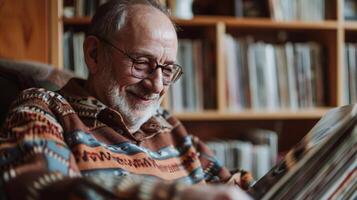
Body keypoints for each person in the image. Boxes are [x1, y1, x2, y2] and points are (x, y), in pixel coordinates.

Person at [0, 0, 254, 199]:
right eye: (141, 63)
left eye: (167, 70)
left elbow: (232, 187)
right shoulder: (44, 110)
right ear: (94, 54)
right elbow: (44, 188)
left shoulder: (168, 125)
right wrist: (175, 195)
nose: (156, 86)